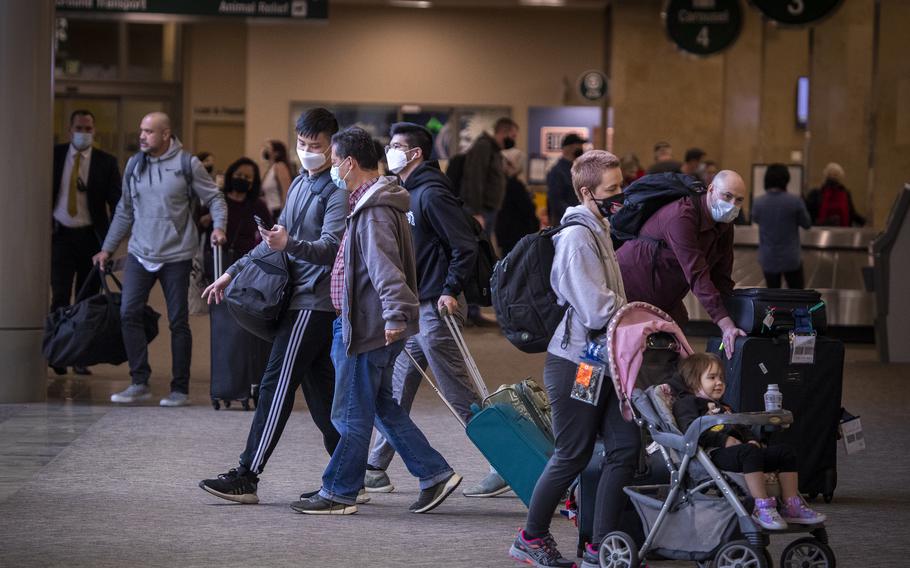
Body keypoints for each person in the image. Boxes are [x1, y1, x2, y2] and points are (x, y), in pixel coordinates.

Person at [291, 126, 462, 516]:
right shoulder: (372, 202)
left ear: (349, 163)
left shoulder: (374, 209)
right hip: (366, 321)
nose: (332, 169)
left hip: (367, 325)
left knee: (349, 412)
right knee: (380, 405)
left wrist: (395, 314)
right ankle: (433, 472)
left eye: (334, 162)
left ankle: (339, 492)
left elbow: (387, 269)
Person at [198, 108, 348, 504]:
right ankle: (350, 475)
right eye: (301, 144)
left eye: (314, 146)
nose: (306, 151)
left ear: (332, 147)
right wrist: (233, 272)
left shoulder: (337, 191)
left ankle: (248, 475)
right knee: (321, 397)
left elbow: (333, 249)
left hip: (310, 302)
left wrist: (290, 245)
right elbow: (274, 237)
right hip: (294, 297)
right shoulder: (300, 183)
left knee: (275, 386)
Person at [510, 150, 635, 568]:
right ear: (587, 192)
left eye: (622, 187)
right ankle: (531, 536)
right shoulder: (577, 238)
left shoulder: (600, 228)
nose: (621, 197)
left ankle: (601, 546)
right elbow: (596, 309)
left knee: (624, 448)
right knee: (573, 453)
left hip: (605, 360)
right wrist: (633, 310)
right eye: (613, 190)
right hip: (579, 365)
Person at [362, 122, 499, 496]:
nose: (389, 151)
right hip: (416, 307)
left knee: (459, 392)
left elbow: (464, 246)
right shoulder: (408, 191)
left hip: (437, 307)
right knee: (398, 386)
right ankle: (375, 466)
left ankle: (503, 460)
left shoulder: (432, 194)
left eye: (395, 146)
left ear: (415, 153)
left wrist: (451, 289)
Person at [92, 112, 227, 406]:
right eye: (141, 130)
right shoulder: (134, 165)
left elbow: (215, 198)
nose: (142, 136)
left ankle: (180, 388)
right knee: (128, 313)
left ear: (166, 134)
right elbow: (125, 210)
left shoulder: (186, 164)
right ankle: (139, 380)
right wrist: (107, 247)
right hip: (140, 252)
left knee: (178, 320)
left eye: (149, 131)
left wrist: (218, 226)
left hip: (177, 253)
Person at [671, 353, 826, 530]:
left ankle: (791, 505)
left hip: (742, 453)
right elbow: (690, 432)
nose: (719, 382)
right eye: (712, 377)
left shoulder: (724, 406)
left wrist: (752, 440)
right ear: (693, 381)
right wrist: (723, 440)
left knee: (785, 452)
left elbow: (742, 428)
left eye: (721, 377)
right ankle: (761, 507)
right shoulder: (687, 404)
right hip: (712, 454)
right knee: (749, 453)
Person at [616, 170, 748, 358]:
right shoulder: (681, 216)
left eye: (739, 200)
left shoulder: (725, 224)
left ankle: (661, 387)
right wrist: (725, 324)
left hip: (664, 296)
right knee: (627, 357)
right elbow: (697, 273)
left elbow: (722, 277)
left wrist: (734, 322)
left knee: (673, 344)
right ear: (711, 189)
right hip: (629, 288)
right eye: (727, 196)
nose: (731, 205)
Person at [49, 109, 122, 376]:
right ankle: (57, 352)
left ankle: (80, 354)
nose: (83, 133)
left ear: (94, 132)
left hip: (91, 238)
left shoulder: (106, 162)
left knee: (88, 298)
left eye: (88, 129)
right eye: (79, 128)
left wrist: (111, 241)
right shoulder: (54, 156)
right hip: (60, 236)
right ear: (70, 130)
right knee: (59, 294)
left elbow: (118, 204)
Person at [197, 157, 273, 272]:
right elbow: (197, 227)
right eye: (238, 174)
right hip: (216, 260)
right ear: (231, 175)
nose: (242, 179)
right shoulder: (217, 200)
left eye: (247, 177)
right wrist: (204, 222)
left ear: (253, 183)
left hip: (245, 263)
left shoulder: (257, 205)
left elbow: (270, 231)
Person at [751, 164, 811, 289]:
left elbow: (755, 219)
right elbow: (807, 224)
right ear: (786, 179)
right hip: (791, 258)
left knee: (773, 298)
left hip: (768, 258)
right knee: (797, 296)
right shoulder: (795, 201)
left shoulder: (758, 202)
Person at [460, 116, 518, 236]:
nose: (514, 140)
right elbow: (475, 179)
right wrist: (476, 213)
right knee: (479, 246)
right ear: (503, 133)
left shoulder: (495, 150)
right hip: (481, 209)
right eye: (513, 136)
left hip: (489, 209)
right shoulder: (484, 146)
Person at [495, 148, 540, 256]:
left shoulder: (503, 183)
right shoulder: (514, 185)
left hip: (507, 233)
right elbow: (527, 208)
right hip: (515, 234)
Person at [805, 162, 866, 227]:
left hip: (843, 231)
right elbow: (808, 214)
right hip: (822, 231)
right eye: (831, 174)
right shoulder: (816, 194)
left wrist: (863, 221)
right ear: (827, 176)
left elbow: (851, 213)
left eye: (835, 175)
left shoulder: (845, 193)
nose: (833, 177)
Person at [546, 133, 586, 227]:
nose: (581, 148)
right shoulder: (557, 171)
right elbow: (555, 200)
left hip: (578, 220)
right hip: (565, 223)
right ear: (569, 148)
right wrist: (574, 214)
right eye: (579, 145)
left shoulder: (578, 168)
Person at [260, 139, 293, 219]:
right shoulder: (270, 169)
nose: (265, 150)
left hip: (277, 212)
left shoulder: (280, 166)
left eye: (268, 148)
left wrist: (283, 215)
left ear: (276, 153)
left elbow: (286, 192)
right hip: (269, 211)